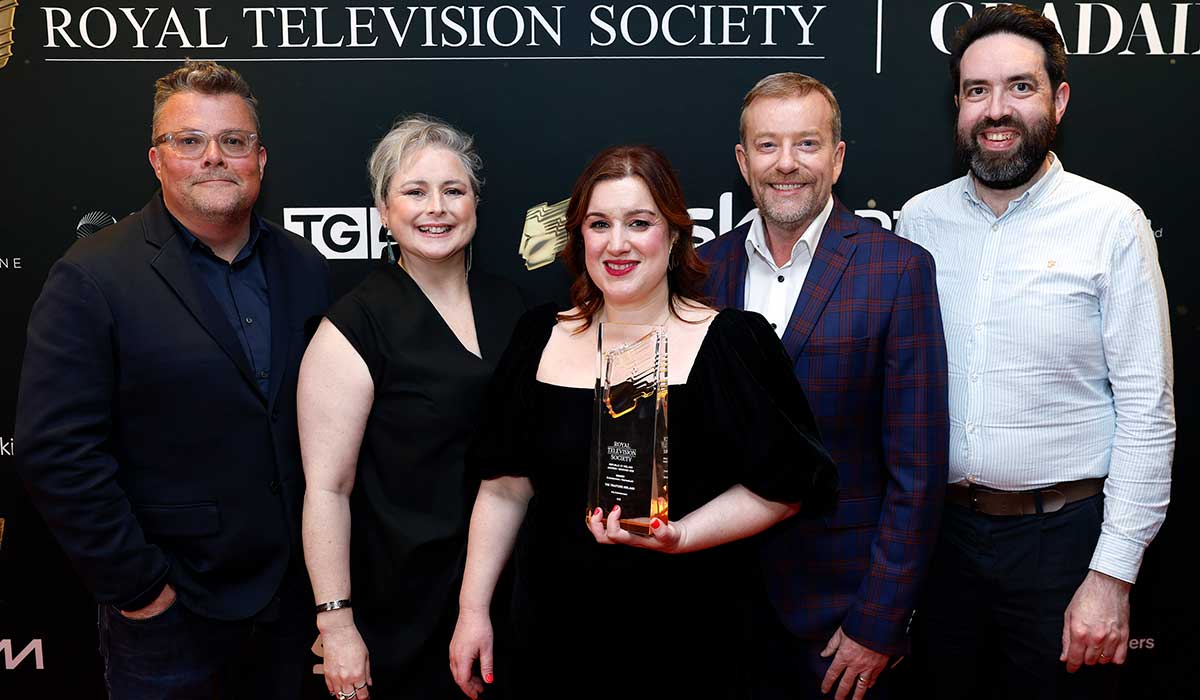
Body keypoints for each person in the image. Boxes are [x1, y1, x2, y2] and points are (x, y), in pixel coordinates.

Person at [448, 145, 838, 699]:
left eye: (640, 223)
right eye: (599, 224)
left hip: (695, 639)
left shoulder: (731, 343)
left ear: (675, 236)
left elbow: (786, 488)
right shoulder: (537, 337)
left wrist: (681, 536)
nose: (617, 243)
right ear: (578, 236)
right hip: (554, 640)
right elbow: (505, 490)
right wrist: (472, 611)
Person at [14, 60, 331, 698]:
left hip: (291, 605)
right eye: (190, 141)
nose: (214, 157)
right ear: (157, 160)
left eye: (233, 141)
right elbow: (55, 450)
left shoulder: (302, 264)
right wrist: (140, 589)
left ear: (260, 159)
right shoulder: (93, 276)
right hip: (172, 613)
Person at [894, 6, 1175, 699]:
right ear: (958, 104)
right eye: (977, 90)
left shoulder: (1111, 222)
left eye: (1020, 87)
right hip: (941, 544)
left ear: (1060, 98)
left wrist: (1110, 577)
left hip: (1065, 546)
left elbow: (1147, 409)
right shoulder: (917, 221)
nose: (996, 110)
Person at [699, 73, 949, 700]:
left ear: (837, 158)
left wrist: (880, 618)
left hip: (843, 620)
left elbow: (917, 471)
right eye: (767, 145)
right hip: (719, 605)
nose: (787, 164)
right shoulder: (703, 270)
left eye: (807, 144)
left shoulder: (897, 269)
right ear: (742, 159)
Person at [298, 115, 527, 699]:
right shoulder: (352, 327)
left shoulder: (516, 310)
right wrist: (337, 622)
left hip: (512, 590)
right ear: (383, 211)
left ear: (476, 203)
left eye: (454, 190)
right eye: (415, 191)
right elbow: (328, 490)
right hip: (403, 604)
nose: (438, 208)